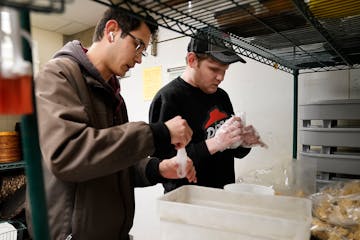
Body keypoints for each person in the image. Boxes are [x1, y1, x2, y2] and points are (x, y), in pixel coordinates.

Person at [27, 8, 196, 240]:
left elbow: (114, 161)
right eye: (137, 46)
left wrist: (157, 169)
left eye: (143, 52)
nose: (138, 59)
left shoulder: (113, 95)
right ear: (112, 31)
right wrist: (156, 133)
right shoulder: (57, 76)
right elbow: (67, 154)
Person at [149, 27, 265, 193]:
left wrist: (242, 142)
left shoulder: (221, 96)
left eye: (225, 71)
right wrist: (216, 143)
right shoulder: (168, 98)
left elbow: (234, 152)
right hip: (188, 200)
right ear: (192, 60)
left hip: (223, 194)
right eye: (214, 69)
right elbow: (165, 164)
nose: (221, 77)